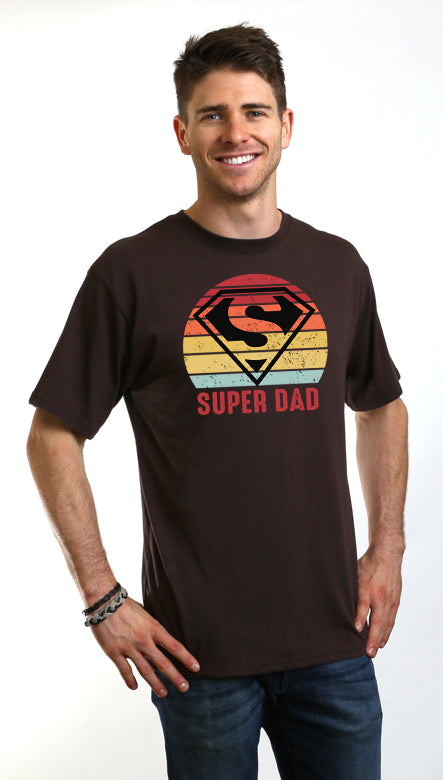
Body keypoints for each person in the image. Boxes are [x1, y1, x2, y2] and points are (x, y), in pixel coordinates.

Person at [27, 23, 408, 780]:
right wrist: (102, 597)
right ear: (182, 133)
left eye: (254, 111)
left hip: (335, 643)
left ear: (286, 125)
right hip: (197, 659)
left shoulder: (336, 266)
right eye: (212, 114)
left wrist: (387, 547)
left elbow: (381, 404)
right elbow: (53, 434)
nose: (236, 133)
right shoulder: (131, 273)